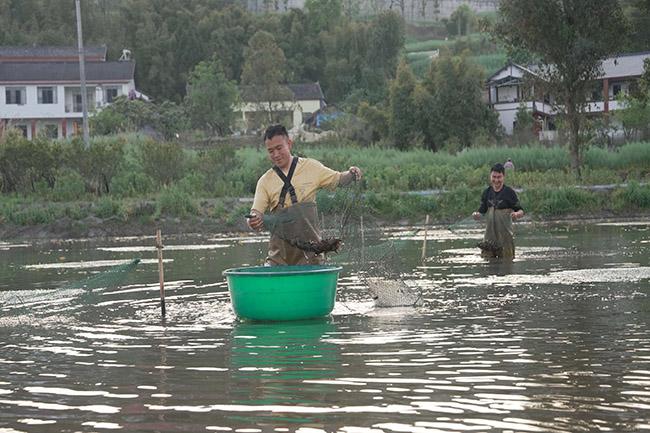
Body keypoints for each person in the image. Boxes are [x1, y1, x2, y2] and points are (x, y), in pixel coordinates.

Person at [247, 124, 362, 266]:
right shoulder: (265, 181)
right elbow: (255, 212)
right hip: (278, 261)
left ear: (289, 144)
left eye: (279, 148)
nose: (276, 154)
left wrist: (351, 173)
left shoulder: (311, 167)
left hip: (312, 258)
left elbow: (339, 179)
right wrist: (253, 221)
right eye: (271, 151)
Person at [472, 163, 524, 258]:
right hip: (489, 239)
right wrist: (476, 215)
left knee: (507, 263)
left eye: (499, 177)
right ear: (490, 176)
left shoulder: (509, 193)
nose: (496, 180)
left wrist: (516, 214)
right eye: (494, 177)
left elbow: (521, 211)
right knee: (487, 265)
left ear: (503, 177)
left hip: (505, 239)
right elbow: (481, 212)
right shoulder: (486, 193)